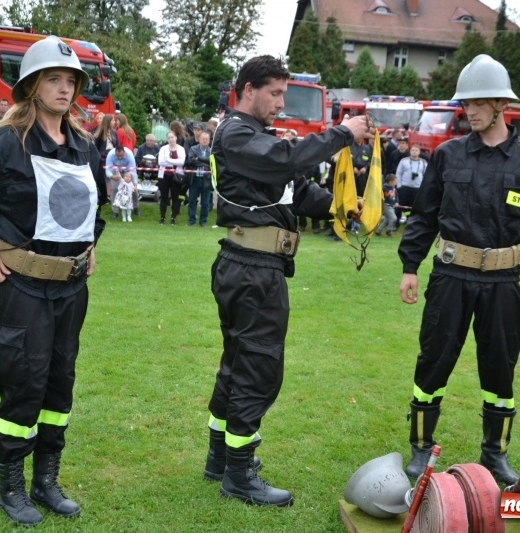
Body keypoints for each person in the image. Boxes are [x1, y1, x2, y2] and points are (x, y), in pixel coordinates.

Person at [0, 36, 107, 526]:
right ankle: (11, 487)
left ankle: (46, 481)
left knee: (59, 385)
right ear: (31, 86)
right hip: (22, 290)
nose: (64, 89)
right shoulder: (7, 142)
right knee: (23, 385)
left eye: (71, 81)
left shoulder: (84, 147)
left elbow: (95, 204)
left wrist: (90, 242)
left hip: (71, 290)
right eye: (53, 79)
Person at [202, 55, 372, 507]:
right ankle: (239, 475)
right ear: (248, 90)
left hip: (253, 266)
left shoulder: (255, 137)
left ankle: (220, 459)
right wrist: (342, 134)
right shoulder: (237, 134)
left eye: (283, 94)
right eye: (275, 93)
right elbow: (286, 159)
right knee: (257, 367)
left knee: (237, 363)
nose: (281, 103)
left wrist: (341, 207)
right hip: (252, 268)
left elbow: (296, 191)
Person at [397, 54, 520, 486]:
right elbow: (424, 216)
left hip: (504, 282)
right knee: (433, 360)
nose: (469, 110)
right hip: (451, 276)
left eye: (478, 102)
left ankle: (495, 453)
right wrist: (410, 266)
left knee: (500, 367)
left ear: (501, 104)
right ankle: (420, 447)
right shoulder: (447, 155)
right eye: (465, 103)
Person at [157, 131, 186, 225]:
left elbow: (181, 162)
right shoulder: (163, 148)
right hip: (164, 175)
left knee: (175, 198)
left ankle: (173, 218)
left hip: (176, 176)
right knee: (164, 197)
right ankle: (162, 218)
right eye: (168, 138)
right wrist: (175, 161)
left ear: (176, 138)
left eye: (172, 137)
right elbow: (161, 162)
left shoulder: (181, 149)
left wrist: (168, 160)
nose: (170, 139)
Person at [105, 145, 138, 221]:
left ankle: (136, 207)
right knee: (114, 189)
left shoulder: (129, 155)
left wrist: (135, 184)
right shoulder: (110, 155)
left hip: (128, 171)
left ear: (124, 152)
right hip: (116, 172)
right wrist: (112, 176)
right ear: (115, 153)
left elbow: (133, 171)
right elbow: (108, 170)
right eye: (118, 156)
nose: (119, 157)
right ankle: (115, 211)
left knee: (133, 190)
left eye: (121, 156)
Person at [186, 131, 212, 226]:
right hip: (195, 179)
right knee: (192, 201)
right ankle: (191, 220)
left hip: (206, 180)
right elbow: (190, 160)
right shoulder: (193, 149)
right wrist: (205, 163)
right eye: (203, 139)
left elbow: (212, 162)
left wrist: (198, 158)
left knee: (205, 203)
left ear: (209, 141)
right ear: (199, 140)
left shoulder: (212, 151)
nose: (205, 141)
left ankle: (203, 221)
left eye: (206, 139)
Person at [395, 144, 428, 216]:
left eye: (416, 150)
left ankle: (409, 219)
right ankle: (398, 219)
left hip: (417, 188)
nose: (414, 152)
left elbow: (426, 176)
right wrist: (399, 186)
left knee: (412, 207)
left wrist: (423, 188)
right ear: (410, 151)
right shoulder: (403, 161)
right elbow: (398, 173)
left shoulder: (424, 163)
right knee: (401, 205)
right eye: (412, 150)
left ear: (419, 152)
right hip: (404, 188)